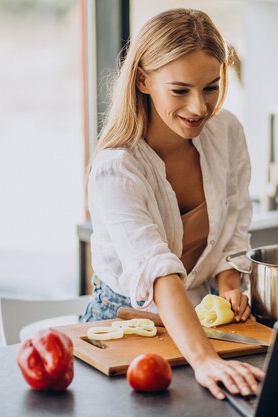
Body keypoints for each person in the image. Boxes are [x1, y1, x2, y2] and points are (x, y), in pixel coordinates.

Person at [81, 8, 263, 400]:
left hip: (198, 323)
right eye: (180, 90)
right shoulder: (117, 168)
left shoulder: (226, 132)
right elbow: (158, 271)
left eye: (210, 87)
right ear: (143, 80)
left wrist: (229, 284)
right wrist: (206, 360)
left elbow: (235, 227)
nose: (199, 108)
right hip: (123, 330)